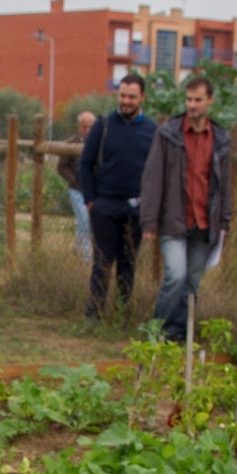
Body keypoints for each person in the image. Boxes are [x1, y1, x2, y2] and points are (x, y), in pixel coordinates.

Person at [140, 74, 232, 343]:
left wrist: (224, 221)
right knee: (175, 276)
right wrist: (149, 221)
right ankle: (155, 331)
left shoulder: (221, 141)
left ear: (210, 101)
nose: (192, 105)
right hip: (173, 220)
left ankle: (177, 333)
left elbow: (224, 185)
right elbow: (153, 178)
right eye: (189, 99)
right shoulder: (168, 134)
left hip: (205, 222)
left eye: (198, 100)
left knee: (192, 284)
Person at [77, 74, 156, 321]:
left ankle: (122, 315)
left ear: (142, 97)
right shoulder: (103, 125)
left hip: (135, 208)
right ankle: (94, 315)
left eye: (132, 96)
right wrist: (91, 201)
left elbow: (157, 173)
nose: (126, 101)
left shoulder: (153, 131)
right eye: (122, 95)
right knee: (102, 263)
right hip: (105, 206)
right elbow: (85, 164)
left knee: (127, 264)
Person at [56, 110, 98, 263]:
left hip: (94, 190)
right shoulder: (70, 143)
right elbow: (61, 167)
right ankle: (86, 257)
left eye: (90, 127)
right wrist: (75, 181)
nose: (87, 130)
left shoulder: (99, 143)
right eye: (84, 127)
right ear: (78, 126)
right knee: (85, 218)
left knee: (87, 221)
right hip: (77, 190)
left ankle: (78, 250)